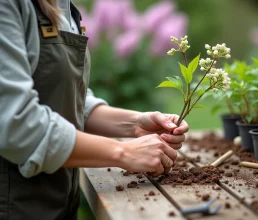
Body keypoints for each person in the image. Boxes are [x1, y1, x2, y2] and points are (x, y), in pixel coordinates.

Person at [0, 0, 189, 219]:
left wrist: (135, 124)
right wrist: (123, 152)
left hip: (56, 205)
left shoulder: (62, 4)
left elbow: (68, 99)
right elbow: (16, 124)